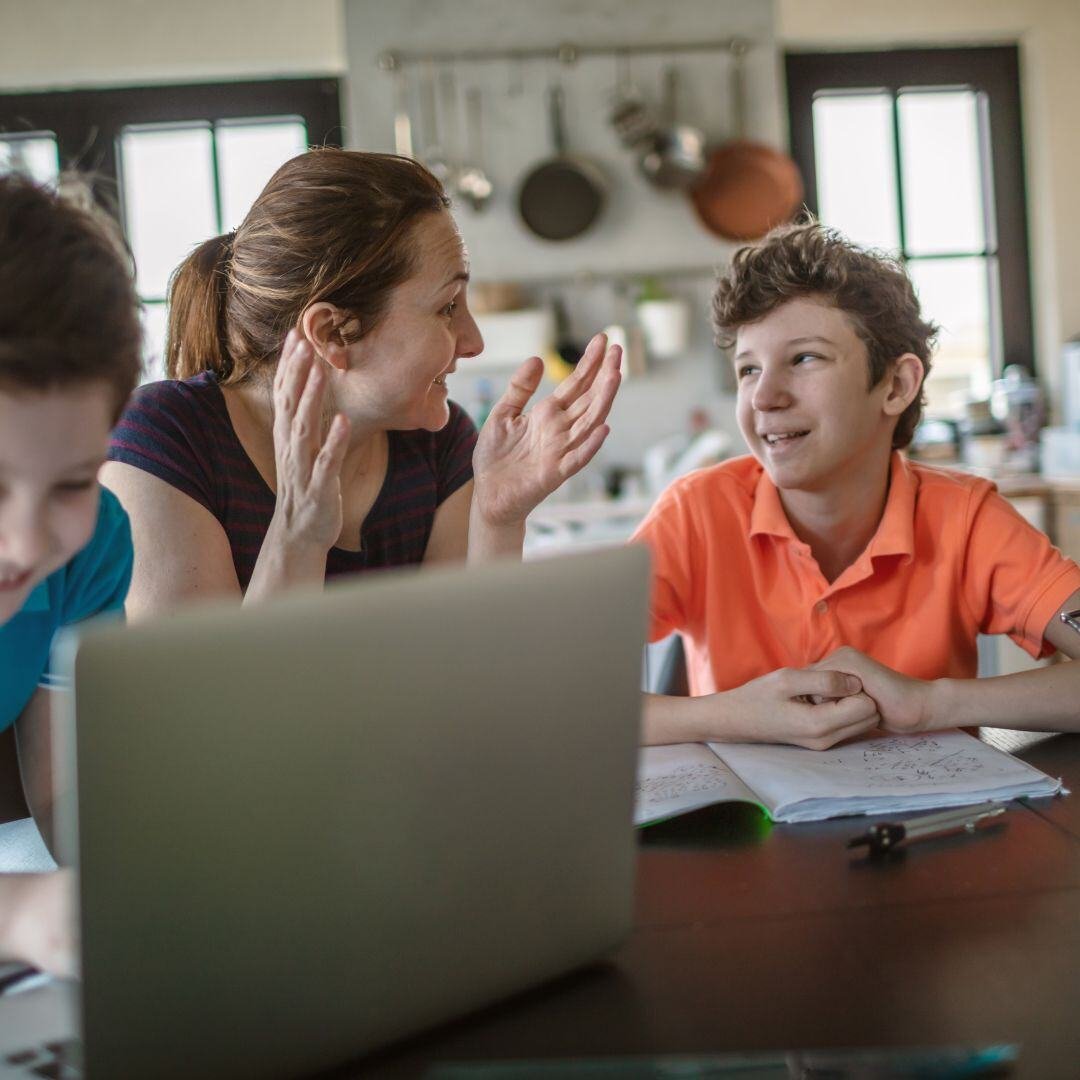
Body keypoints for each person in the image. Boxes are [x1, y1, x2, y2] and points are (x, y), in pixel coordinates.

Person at [103, 149, 620, 615]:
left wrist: (499, 518)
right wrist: (299, 534)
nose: (473, 341)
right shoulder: (166, 442)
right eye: (447, 308)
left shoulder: (439, 450)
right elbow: (203, 713)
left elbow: (465, 689)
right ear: (333, 333)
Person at [633, 222, 1080, 749]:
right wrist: (729, 714)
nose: (764, 397)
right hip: (749, 829)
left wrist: (928, 704)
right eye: (748, 369)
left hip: (932, 827)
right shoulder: (696, 513)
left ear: (895, 385)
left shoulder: (965, 518)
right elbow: (553, 699)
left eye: (803, 358)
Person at [0, 173, 142, 975]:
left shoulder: (93, 549)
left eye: (71, 483)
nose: (23, 543)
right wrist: (16, 911)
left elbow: (60, 798)